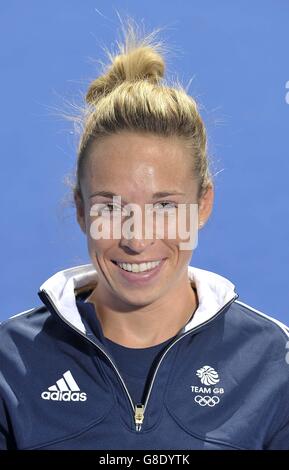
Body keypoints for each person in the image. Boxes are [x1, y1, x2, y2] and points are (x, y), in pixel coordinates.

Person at [1, 19, 289, 451]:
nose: (137, 239)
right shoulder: (8, 364)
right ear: (80, 210)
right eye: (110, 208)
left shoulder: (274, 364)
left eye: (165, 206)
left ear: (203, 205)